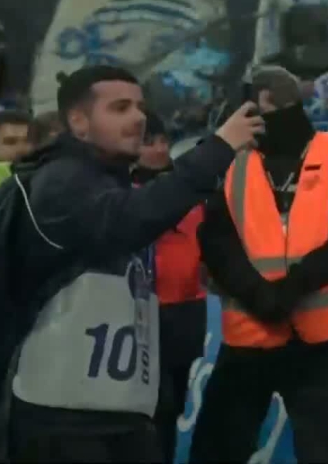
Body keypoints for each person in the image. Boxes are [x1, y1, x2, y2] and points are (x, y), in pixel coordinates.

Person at [0, 65, 262, 463]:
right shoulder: (60, 181)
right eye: (119, 108)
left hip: (119, 413)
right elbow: (128, 220)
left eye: (139, 107)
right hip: (60, 418)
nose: (138, 118)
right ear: (79, 122)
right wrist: (217, 148)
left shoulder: (108, 182)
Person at [190, 65, 328, 464]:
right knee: (219, 450)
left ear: (262, 102)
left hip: (317, 342)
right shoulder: (232, 159)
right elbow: (215, 238)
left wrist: (289, 287)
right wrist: (262, 294)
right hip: (254, 335)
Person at [132, 113, 207, 463]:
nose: (160, 149)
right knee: (152, 407)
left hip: (189, 310)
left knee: (173, 404)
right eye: (149, 143)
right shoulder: (122, 195)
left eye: (163, 141)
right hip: (144, 312)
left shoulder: (190, 192)